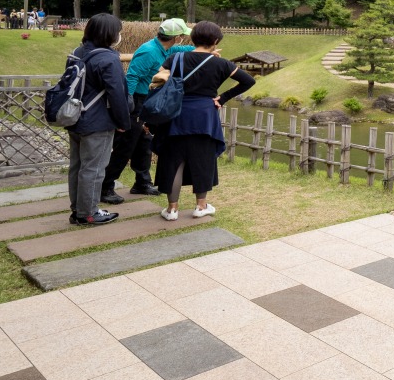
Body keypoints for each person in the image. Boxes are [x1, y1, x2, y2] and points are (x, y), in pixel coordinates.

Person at [153, 21, 254, 220]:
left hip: (176, 114)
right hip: (205, 116)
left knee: (174, 162)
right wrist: (222, 98)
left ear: (193, 38)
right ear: (215, 41)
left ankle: (172, 210)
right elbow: (248, 81)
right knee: (203, 160)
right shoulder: (221, 63)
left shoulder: (176, 58)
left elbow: (158, 76)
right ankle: (201, 206)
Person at [101, 18, 195, 202]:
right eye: (182, 36)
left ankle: (142, 182)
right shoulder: (149, 51)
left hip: (147, 100)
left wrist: (203, 51)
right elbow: (132, 77)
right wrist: (128, 106)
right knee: (125, 145)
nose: (183, 39)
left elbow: (182, 50)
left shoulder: (164, 48)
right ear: (176, 37)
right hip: (135, 100)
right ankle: (105, 186)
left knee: (144, 142)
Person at [66, 13, 131, 226]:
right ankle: (89, 213)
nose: (119, 35)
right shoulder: (108, 58)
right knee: (93, 168)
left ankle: (78, 209)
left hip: (74, 117)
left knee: (77, 165)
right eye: (118, 31)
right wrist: (123, 122)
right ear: (109, 33)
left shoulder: (77, 52)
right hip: (97, 122)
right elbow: (118, 94)